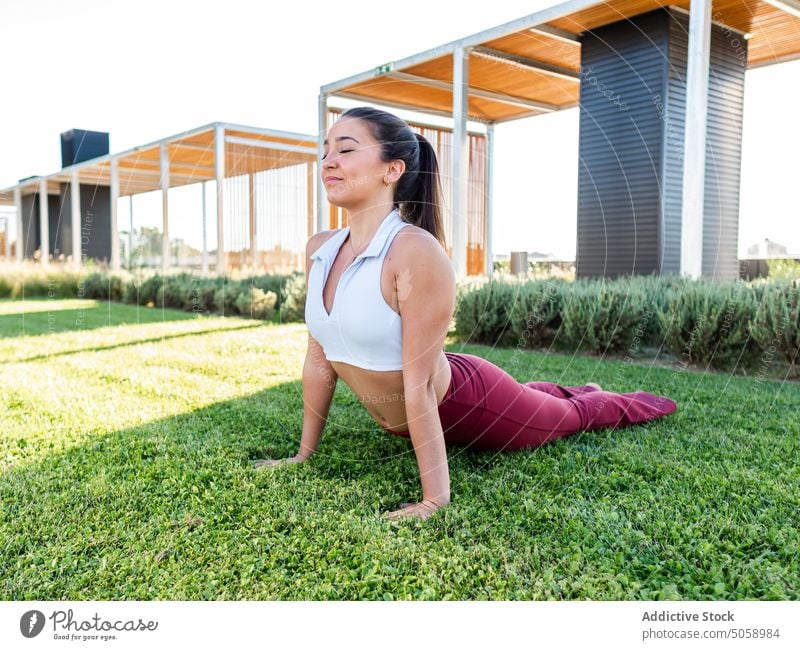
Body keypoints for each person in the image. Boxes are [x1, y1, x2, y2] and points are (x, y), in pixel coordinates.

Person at [254, 106, 677, 522]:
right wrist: (302, 456)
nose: (328, 161)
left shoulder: (414, 251)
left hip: (465, 401)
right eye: (326, 150)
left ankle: (632, 402)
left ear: (392, 170)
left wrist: (433, 499)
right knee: (535, 396)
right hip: (432, 393)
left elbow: (417, 383)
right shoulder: (321, 249)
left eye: (345, 150)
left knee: (571, 419)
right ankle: (575, 386)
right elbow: (318, 359)